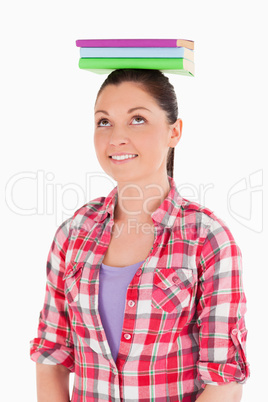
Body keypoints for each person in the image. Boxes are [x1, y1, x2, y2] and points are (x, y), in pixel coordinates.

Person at [30, 69, 250, 401]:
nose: (116, 137)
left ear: (174, 131)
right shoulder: (73, 234)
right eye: (104, 121)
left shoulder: (207, 240)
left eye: (137, 119)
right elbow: (51, 356)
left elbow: (225, 380)